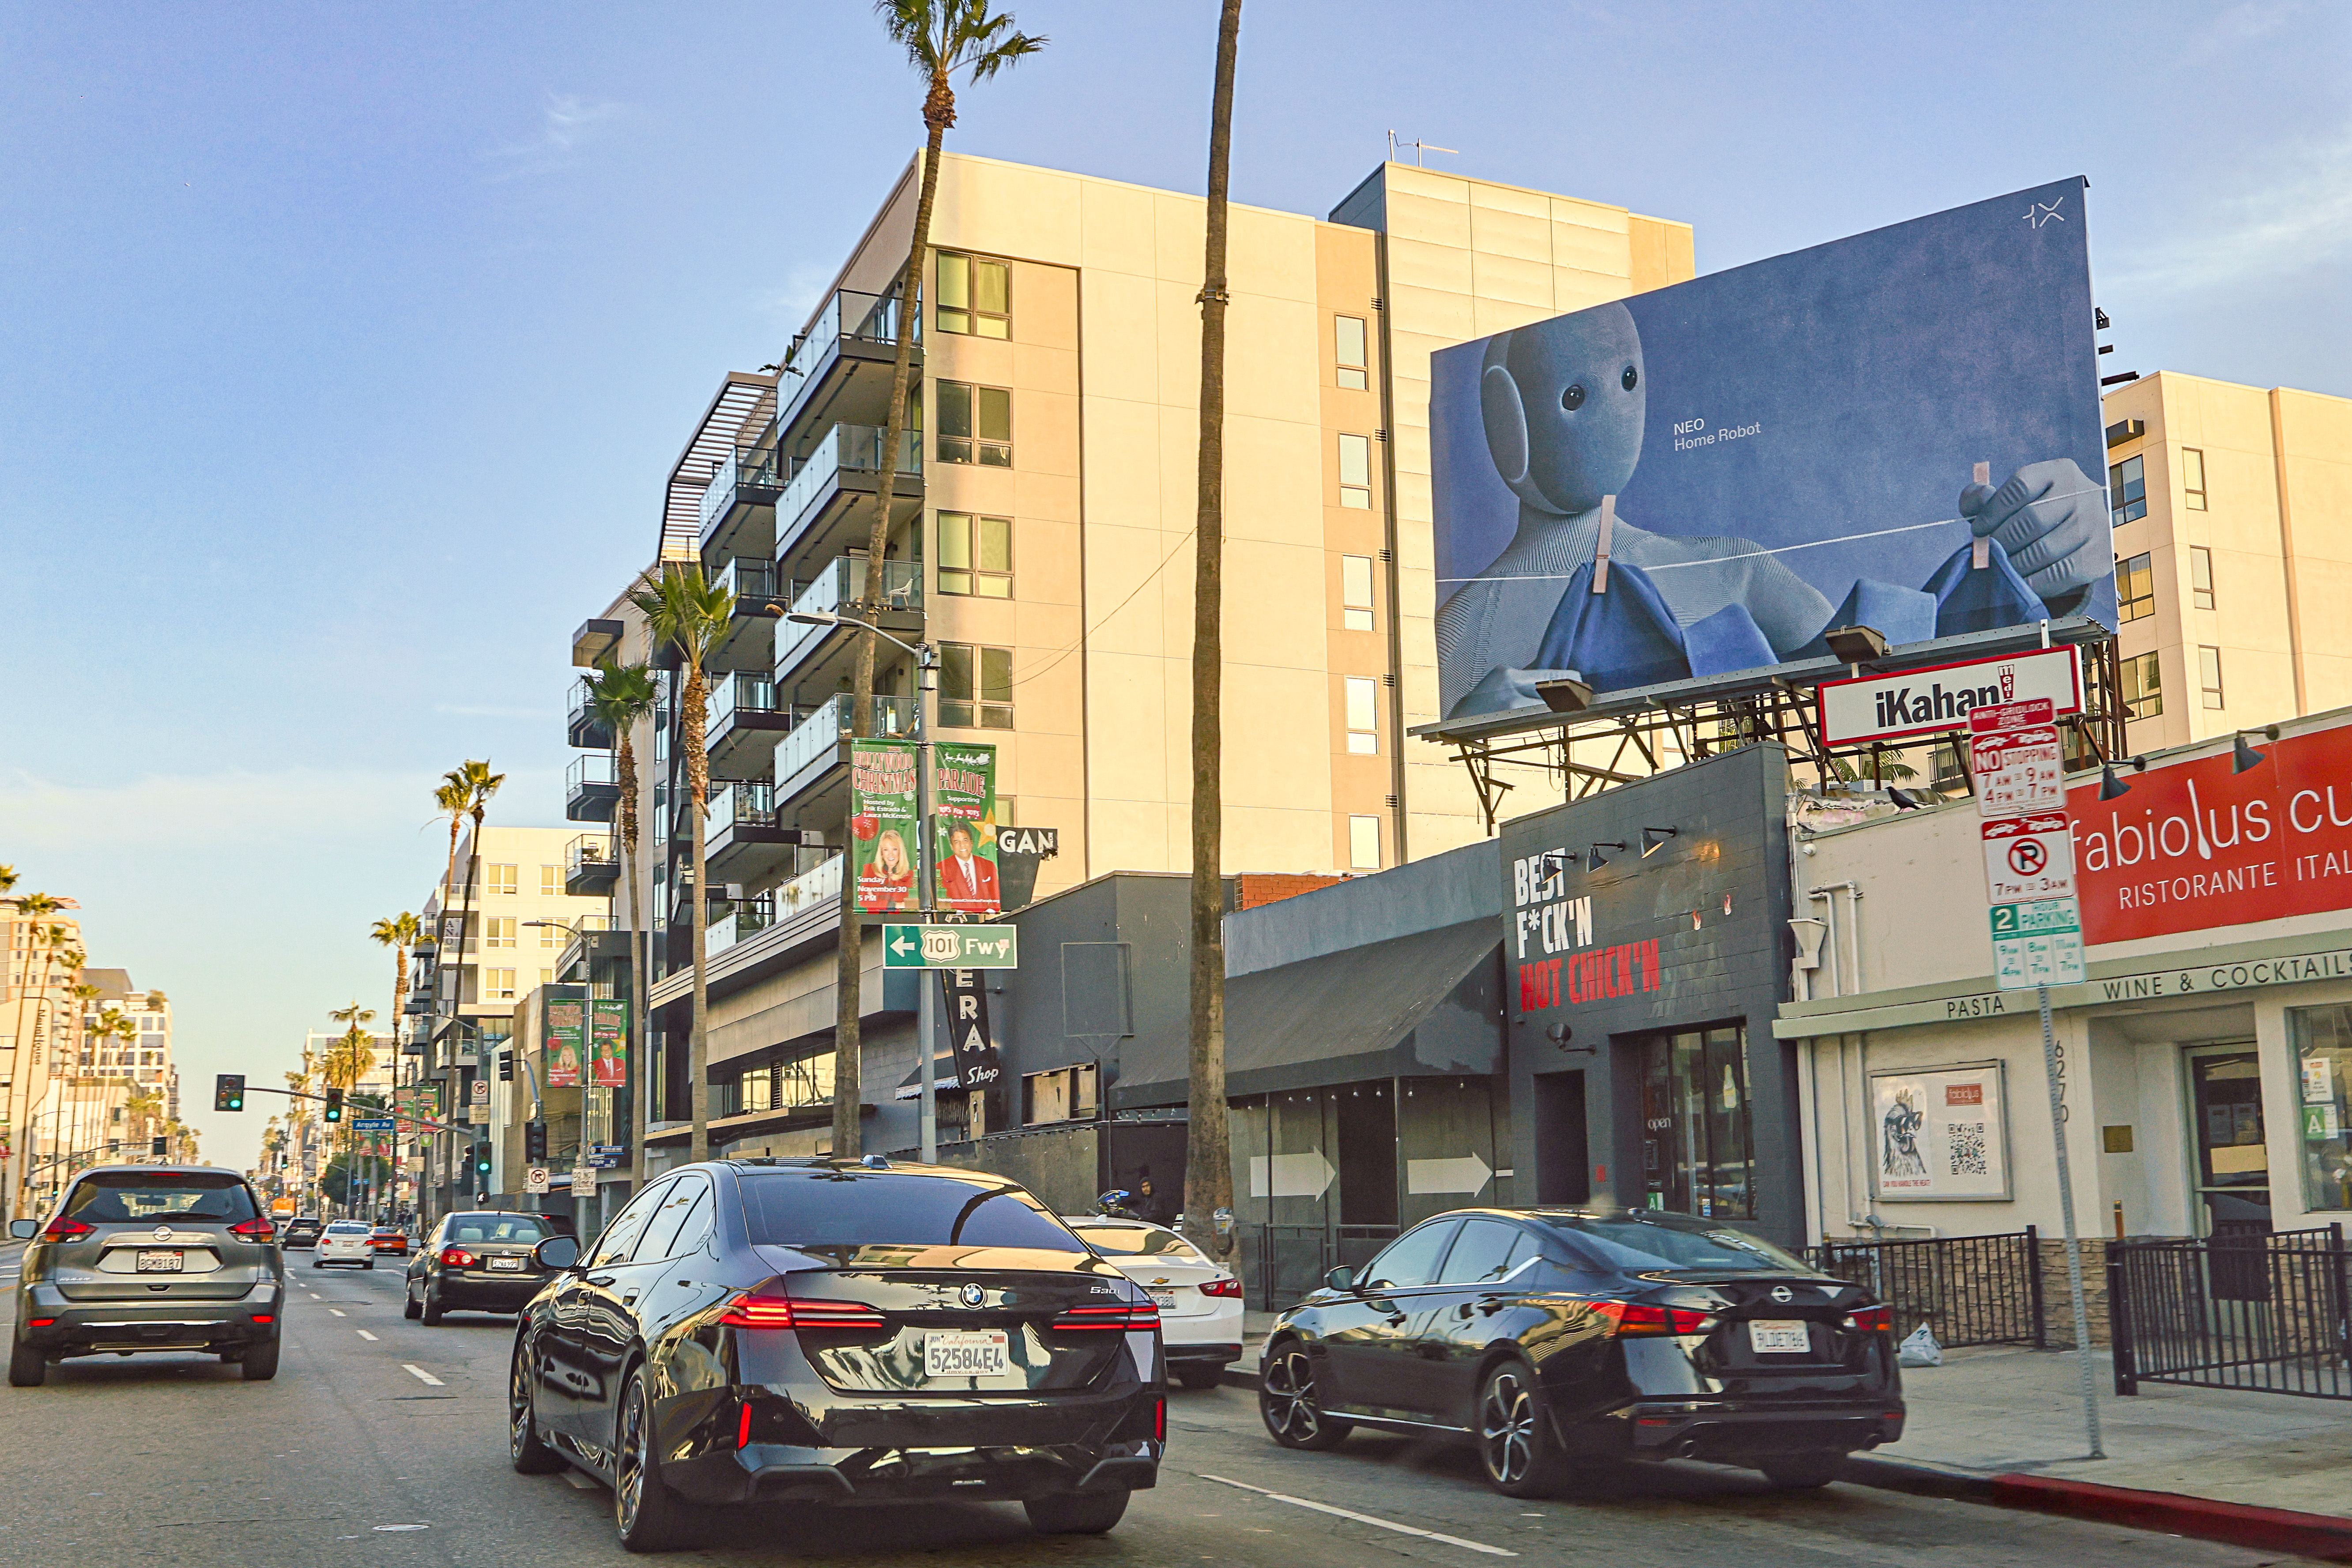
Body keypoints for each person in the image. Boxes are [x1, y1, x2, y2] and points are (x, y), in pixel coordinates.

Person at [1437, 302, 2107, 719]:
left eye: (1628, 380)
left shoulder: (1731, 568)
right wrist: (1471, 726)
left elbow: (1882, 680)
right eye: (1577, 396)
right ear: (1505, 414)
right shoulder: (1459, 629)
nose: (1616, 410)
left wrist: (2046, 578)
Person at [936, 821, 1000, 912]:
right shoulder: (941, 868)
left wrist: (989, 913)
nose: (962, 845)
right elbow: (941, 900)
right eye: (957, 842)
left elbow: (996, 897)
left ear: (972, 843)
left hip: (986, 920)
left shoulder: (988, 865)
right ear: (952, 846)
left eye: (965, 840)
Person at [859, 828, 915, 912]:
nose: (890, 854)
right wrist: (896, 905)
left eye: (895, 849)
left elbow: (914, 904)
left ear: (900, 852)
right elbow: (863, 902)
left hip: (899, 922)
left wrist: (878, 900)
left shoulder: (909, 875)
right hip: (873, 922)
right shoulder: (869, 870)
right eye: (886, 850)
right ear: (881, 853)